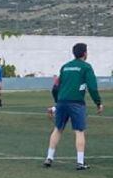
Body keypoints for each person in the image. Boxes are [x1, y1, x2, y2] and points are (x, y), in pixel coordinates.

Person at [44, 43, 103, 171]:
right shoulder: (86, 67)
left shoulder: (65, 67)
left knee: (57, 129)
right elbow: (92, 87)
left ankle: (49, 158)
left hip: (62, 102)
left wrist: (57, 103)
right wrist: (98, 103)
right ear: (85, 53)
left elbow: (55, 88)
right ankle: (80, 162)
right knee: (79, 131)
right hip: (77, 103)